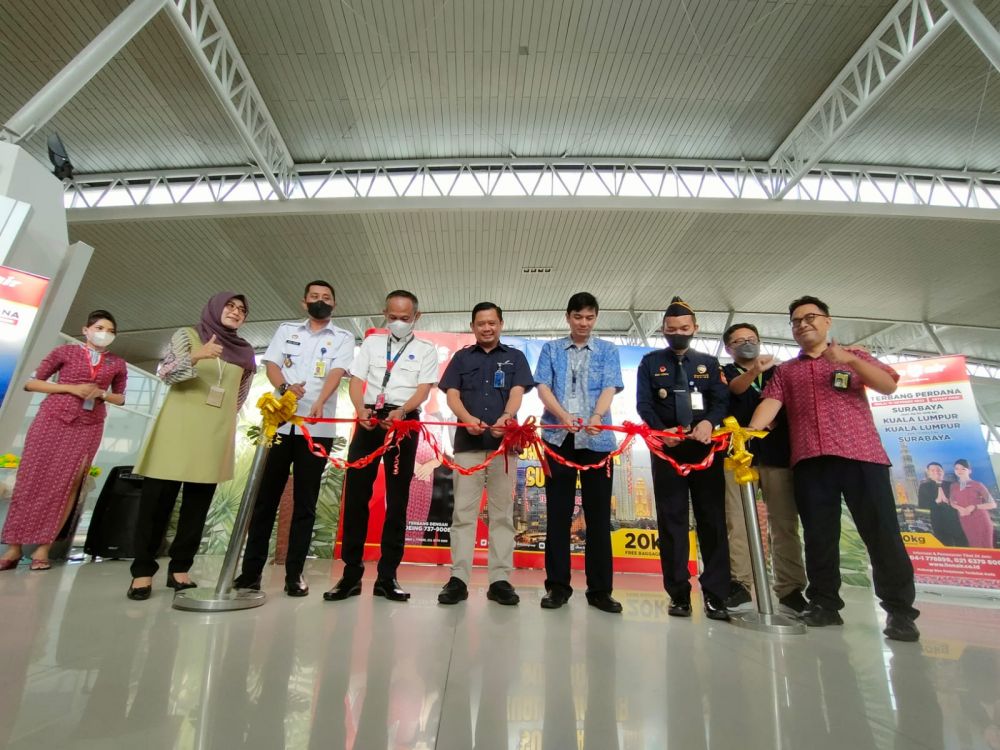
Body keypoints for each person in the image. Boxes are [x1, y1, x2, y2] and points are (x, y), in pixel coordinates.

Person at [747, 295, 920, 642]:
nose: (803, 324)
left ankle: (900, 612)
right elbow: (770, 404)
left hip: (862, 457)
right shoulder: (786, 372)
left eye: (810, 317)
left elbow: (887, 384)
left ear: (827, 321)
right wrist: (747, 435)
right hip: (810, 461)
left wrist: (849, 361)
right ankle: (824, 604)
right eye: (795, 321)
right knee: (819, 537)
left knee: (882, 534)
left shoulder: (854, 357)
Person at [127, 292, 256, 600]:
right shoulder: (188, 335)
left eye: (242, 310)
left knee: (197, 507)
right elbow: (165, 373)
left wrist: (222, 420)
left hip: (213, 432)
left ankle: (180, 569)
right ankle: (142, 572)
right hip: (177, 428)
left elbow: (240, 396)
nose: (236, 312)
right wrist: (198, 356)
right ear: (215, 307)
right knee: (157, 503)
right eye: (230, 306)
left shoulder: (246, 352)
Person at [233, 280, 354, 596]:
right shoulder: (287, 330)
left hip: (317, 429)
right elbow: (272, 364)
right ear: (304, 302)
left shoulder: (342, 338)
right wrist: (285, 388)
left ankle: (294, 575)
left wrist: (320, 399)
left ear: (334, 305)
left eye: (327, 298)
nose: (320, 301)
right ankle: (250, 573)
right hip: (279, 425)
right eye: (315, 297)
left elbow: (337, 372)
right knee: (265, 500)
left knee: (305, 503)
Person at [324, 290, 437, 602]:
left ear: (417, 316)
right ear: (384, 313)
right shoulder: (372, 343)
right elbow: (357, 381)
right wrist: (360, 409)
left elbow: (424, 389)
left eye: (404, 317)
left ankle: (388, 576)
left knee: (398, 500)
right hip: (369, 420)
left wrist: (401, 412)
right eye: (392, 317)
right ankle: (350, 575)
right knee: (356, 495)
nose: (398, 322)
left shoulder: (426, 350)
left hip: (403, 422)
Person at [0, 310, 127, 572]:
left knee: (67, 485)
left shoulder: (117, 363)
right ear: (87, 330)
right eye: (100, 327)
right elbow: (32, 383)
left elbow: (121, 397)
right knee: (31, 478)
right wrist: (70, 388)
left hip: (88, 426)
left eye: (111, 331)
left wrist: (101, 393)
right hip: (52, 419)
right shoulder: (65, 353)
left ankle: (43, 547)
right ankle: (13, 546)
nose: (105, 334)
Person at [636, 297, 731, 621]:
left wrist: (708, 422)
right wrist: (662, 431)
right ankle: (678, 595)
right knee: (672, 521)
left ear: (695, 329)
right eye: (672, 329)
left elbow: (720, 401)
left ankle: (717, 595)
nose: (678, 333)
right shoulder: (650, 362)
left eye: (684, 328)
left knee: (712, 521)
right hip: (667, 450)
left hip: (705, 449)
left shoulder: (709, 362)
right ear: (663, 329)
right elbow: (644, 404)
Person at [436, 302, 534, 606]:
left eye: (492, 322)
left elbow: (517, 391)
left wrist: (507, 416)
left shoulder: (515, 357)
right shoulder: (461, 358)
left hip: (505, 447)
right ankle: (458, 579)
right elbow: (452, 394)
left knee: (502, 515)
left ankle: (500, 580)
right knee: (463, 514)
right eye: (481, 323)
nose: (487, 328)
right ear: (473, 326)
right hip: (467, 447)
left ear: (501, 324)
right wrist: (466, 418)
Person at [534, 292, 624, 613]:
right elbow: (543, 387)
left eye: (589, 318)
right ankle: (557, 587)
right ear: (568, 317)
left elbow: (610, 387)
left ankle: (600, 590)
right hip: (559, 441)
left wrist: (597, 417)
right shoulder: (551, 349)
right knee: (557, 517)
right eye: (578, 317)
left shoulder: (608, 350)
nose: (583, 323)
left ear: (596, 318)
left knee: (598, 518)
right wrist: (561, 416)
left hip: (597, 442)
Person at [720, 322, 808, 613]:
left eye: (751, 339)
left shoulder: (780, 372)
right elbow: (734, 391)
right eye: (739, 340)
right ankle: (740, 583)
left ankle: (791, 587)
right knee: (738, 521)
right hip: (738, 455)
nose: (746, 343)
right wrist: (754, 371)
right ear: (729, 348)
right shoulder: (725, 373)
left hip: (778, 455)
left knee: (783, 522)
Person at [916, 462, 967, 547]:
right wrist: (936, 501)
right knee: (945, 547)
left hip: (956, 523)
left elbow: (962, 501)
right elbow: (922, 506)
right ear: (928, 473)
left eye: (938, 470)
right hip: (938, 524)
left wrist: (952, 502)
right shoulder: (924, 487)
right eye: (932, 470)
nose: (936, 472)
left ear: (943, 472)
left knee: (963, 546)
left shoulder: (952, 485)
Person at [949, 459, 996, 549]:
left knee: (987, 548)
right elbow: (952, 502)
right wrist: (959, 508)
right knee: (974, 547)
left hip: (981, 520)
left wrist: (974, 507)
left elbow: (993, 504)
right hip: (965, 520)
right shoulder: (953, 486)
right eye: (957, 468)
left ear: (969, 471)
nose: (959, 471)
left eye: (963, 469)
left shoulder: (978, 485)